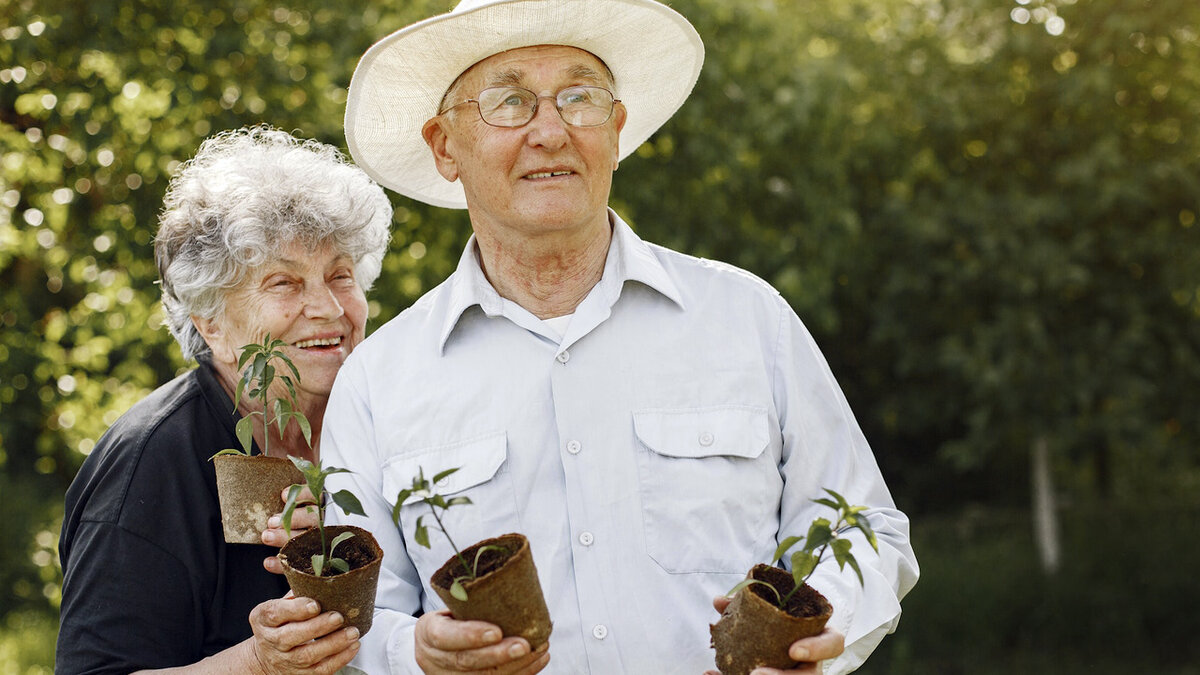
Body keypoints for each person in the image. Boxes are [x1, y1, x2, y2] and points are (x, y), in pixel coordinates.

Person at [324, 0, 919, 673]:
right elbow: (355, 619)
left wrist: (815, 634)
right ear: (444, 147)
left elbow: (863, 528)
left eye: (579, 97)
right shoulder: (378, 379)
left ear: (615, 128)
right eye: (510, 100)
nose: (550, 130)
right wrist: (414, 654)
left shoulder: (749, 319)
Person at [57, 125, 392, 674]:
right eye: (283, 283)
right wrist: (260, 662)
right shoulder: (153, 462)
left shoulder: (380, 422)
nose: (329, 309)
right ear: (211, 324)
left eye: (341, 275)